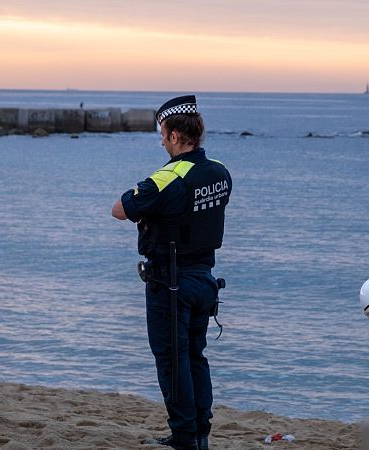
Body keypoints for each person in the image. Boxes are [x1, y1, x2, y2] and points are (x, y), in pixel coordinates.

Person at [111, 95, 231, 450]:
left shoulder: (167, 177)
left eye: (163, 134)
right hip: (205, 278)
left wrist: (154, 211)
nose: (161, 141)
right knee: (195, 355)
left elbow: (119, 208)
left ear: (177, 135)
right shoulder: (219, 171)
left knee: (171, 359)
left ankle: (183, 436)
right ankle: (200, 432)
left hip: (170, 281)